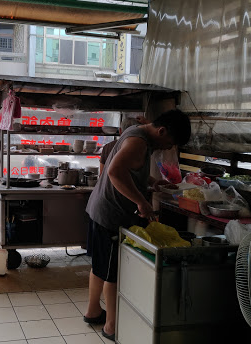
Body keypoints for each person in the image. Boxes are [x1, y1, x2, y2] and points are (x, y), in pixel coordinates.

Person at [83, 109, 191, 341]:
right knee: (113, 272)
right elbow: (115, 172)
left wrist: (153, 182)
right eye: (168, 143)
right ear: (161, 131)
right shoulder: (139, 142)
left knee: (101, 264)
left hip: (100, 209)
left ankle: (93, 311)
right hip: (112, 214)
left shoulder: (138, 130)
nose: (165, 148)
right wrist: (142, 202)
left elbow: (131, 170)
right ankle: (111, 327)